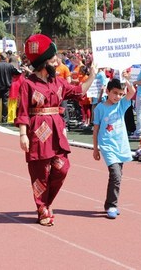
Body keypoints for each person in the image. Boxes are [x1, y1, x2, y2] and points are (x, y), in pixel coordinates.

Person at [15, 34, 97, 226]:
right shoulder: (28, 83)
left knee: (62, 168)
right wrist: (22, 135)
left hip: (57, 131)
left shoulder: (58, 82)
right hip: (37, 132)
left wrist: (93, 75)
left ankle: (46, 202)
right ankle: (42, 209)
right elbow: (23, 111)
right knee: (40, 173)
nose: (57, 61)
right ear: (44, 62)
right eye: (52, 59)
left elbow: (79, 92)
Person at [93, 75, 136, 219]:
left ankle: (109, 203)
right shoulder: (100, 108)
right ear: (107, 91)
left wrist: (127, 80)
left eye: (120, 94)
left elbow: (132, 92)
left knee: (118, 176)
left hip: (121, 144)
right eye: (115, 93)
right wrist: (95, 148)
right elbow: (96, 129)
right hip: (107, 145)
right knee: (115, 175)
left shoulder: (121, 105)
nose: (117, 96)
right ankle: (112, 204)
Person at [0, 52, 22, 123]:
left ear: (0, 57)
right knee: (5, 103)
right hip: (6, 87)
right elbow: (18, 72)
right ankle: (4, 118)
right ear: (6, 58)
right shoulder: (9, 66)